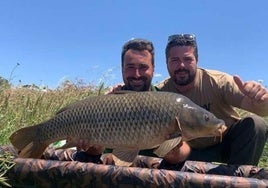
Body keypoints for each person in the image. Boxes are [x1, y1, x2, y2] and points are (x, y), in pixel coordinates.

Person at [157, 34, 268, 167]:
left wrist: (262, 100)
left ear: (197, 60)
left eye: (188, 59)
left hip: (224, 144)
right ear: (166, 63)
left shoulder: (218, 81)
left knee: (256, 124)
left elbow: (262, 110)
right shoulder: (159, 92)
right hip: (185, 150)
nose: (181, 65)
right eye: (174, 60)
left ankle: (239, 180)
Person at [75, 38, 189, 164]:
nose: (136, 74)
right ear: (122, 68)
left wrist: (173, 151)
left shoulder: (167, 103)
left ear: (153, 68)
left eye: (143, 67)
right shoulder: (107, 103)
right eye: (130, 67)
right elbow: (96, 152)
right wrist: (92, 148)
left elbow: (183, 150)